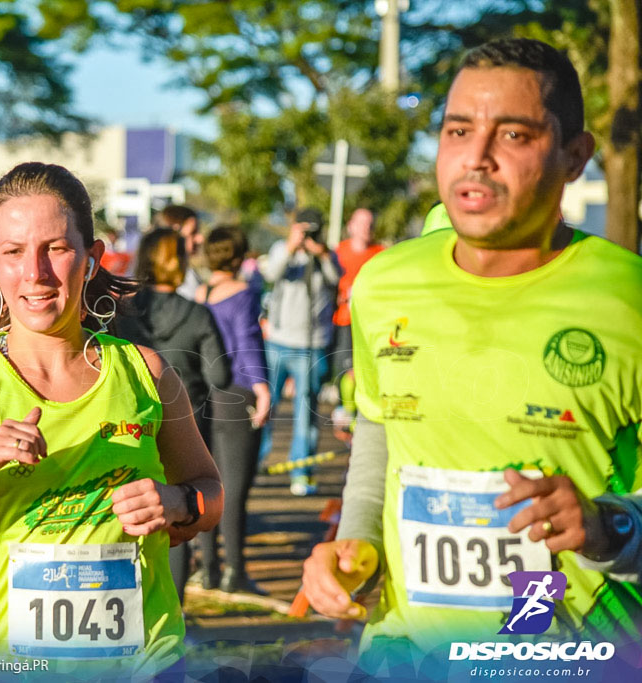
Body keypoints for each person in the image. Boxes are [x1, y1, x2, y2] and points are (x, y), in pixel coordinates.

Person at [301, 38, 642, 664]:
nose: (477, 158)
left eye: (514, 135)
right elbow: (379, 432)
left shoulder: (628, 298)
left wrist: (607, 527)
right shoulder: (384, 282)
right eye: (459, 130)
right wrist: (353, 546)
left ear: (575, 156)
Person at [0, 162, 223, 679]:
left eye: (55, 249)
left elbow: (210, 495)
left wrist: (178, 502)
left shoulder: (146, 371)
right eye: (13, 252)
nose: (34, 273)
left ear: (92, 257)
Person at [121, 226, 231, 601]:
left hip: (128, 424)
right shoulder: (198, 315)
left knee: (130, 510)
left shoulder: (120, 311)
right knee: (180, 510)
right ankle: (176, 607)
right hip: (190, 423)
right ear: (180, 262)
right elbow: (220, 375)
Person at [195, 226, 272, 593]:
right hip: (236, 394)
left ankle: (209, 568)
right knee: (235, 491)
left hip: (203, 395)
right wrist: (262, 388)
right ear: (239, 255)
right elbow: (247, 341)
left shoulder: (199, 293)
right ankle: (235, 572)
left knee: (207, 485)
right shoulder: (244, 293)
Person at [258, 207, 341, 496]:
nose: (308, 236)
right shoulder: (283, 249)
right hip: (279, 341)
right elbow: (270, 274)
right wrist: (292, 246)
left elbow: (335, 279)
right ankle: (255, 460)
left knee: (306, 412)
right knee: (265, 404)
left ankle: (301, 470)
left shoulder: (327, 256)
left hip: (312, 343)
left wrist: (321, 253)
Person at [331, 209, 384, 375]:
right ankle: (344, 401)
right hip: (343, 321)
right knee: (345, 371)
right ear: (350, 226)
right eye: (361, 223)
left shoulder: (381, 254)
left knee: (364, 370)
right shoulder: (338, 252)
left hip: (369, 322)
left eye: (370, 224)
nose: (366, 228)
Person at [154, 205, 206, 299]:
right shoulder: (175, 280)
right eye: (193, 233)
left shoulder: (187, 273)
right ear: (174, 234)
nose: (200, 239)